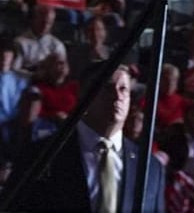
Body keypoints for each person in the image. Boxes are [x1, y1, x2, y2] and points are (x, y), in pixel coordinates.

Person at [2, 63, 165, 211]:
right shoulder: (40, 156)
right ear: (84, 94)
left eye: (123, 89)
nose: (118, 96)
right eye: (107, 87)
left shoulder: (151, 168)